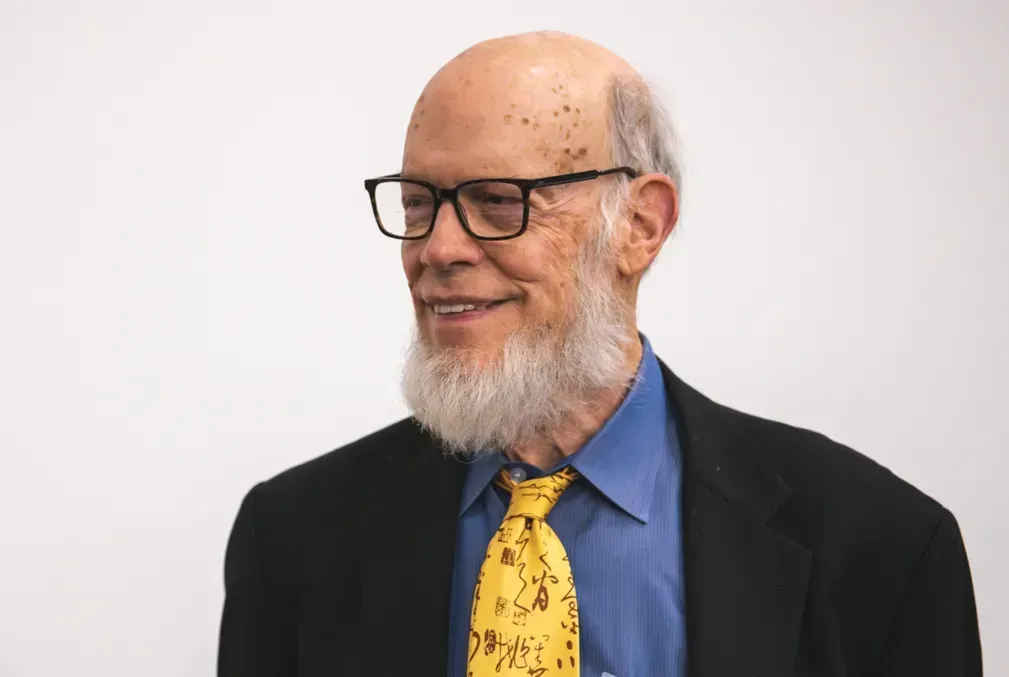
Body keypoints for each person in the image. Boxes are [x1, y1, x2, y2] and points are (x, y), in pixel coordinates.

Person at [217, 31, 982, 677]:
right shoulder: (292, 537)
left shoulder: (880, 546)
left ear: (640, 225)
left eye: (496, 201)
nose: (437, 249)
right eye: (419, 203)